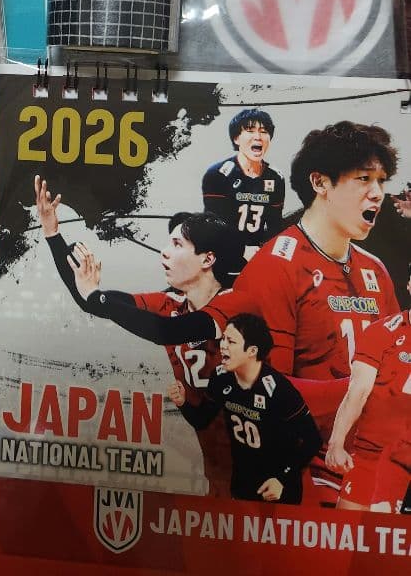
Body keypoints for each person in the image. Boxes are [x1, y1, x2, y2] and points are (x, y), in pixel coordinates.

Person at [61, 121, 404, 504]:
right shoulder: (275, 269)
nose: (377, 193)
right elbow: (266, 391)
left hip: (377, 469)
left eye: (381, 181)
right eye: (363, 179)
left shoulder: (375, 271)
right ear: (320, 182)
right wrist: (362, 390)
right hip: (307, 477)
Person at [39, 177, 242, 497]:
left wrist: (97, 297)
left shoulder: (235, 303)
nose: (164, 253)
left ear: (208, 259)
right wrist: (52, 233)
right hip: (216, 470)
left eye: (177, 245)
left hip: (261, 469)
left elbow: (167, 332)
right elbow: (91, 301)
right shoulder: (170, 304)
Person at [175, 313, 321, 504]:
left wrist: (282, 479)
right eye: (223, 339)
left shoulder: (278, 389)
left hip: (278, 490)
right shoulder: (221, 378)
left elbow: (313, 440)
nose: (223, 345)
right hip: (242, 485)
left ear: (252, 351)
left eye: (231, 341)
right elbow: (201, 419)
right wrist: (182, 403)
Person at [325, 302, 411, 512]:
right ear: (409, 286)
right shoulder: (381, 332)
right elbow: (358, 390)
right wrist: (336, 443)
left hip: (404, 459)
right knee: (347, 530)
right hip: (371, 456)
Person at [201, 108, 286, 254]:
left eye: (264, 131)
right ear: (236, 138)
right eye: (250, 131)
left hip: (257, 254)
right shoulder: (217, 174)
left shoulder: (275, 177)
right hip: (222, 253)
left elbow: (275, 226)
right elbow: (212, 227)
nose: (258, 137)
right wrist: (241, 250)